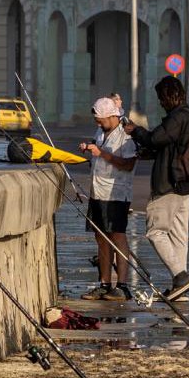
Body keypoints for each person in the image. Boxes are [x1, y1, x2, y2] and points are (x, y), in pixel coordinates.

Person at [128, 74, 189, 302]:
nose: (160, 103)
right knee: (178, 237)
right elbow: (169, 146)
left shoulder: (177, 118)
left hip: (168, 184)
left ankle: (180, 276)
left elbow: (155, 138)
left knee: (155, 231)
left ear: (169, 96)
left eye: (161, 98)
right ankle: (180, 288)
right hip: (184, 184)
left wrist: (134, 130)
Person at [76, 96, 138, 299]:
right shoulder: (101, 131)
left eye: (100, 120)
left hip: (117, 193)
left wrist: (101, 153)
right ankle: (104, 283)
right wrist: (89, 148)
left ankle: (122, 285)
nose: (97, 123)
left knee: (117, 236)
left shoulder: (126, 134)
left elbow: (128, 164)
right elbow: (99, 150)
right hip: (97, 191)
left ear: (112, 116)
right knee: (101, 237)